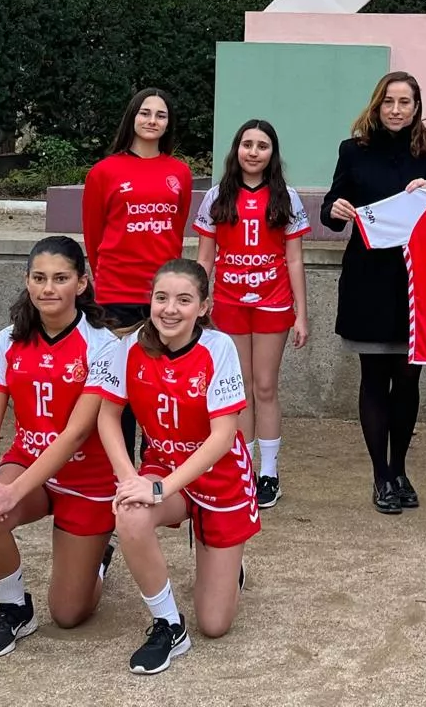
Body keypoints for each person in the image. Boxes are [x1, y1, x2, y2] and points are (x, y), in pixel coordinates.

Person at [89, 259, 259, 674]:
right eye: (161, 298)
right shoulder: (128, 348)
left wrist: (160, 488)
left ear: (203, 306)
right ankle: (168, 625)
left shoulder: (219, 348)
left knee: (215, 624)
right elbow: (107, 417)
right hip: (164, 471)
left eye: (184, 300)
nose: (170, 309)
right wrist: (132, 480)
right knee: (129, 512)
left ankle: (227, 565)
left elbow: (222, 437)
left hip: (220, 481)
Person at [0, 236, 122, 658]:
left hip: (87, 479)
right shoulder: (9, 339)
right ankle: (14, 609)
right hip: (28, 463)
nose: (48, 288)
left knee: (70, 613)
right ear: (27, 281)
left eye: (60, 278)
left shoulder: (104, 345)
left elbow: (74, 434)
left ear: (82, 283)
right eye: (39, 278)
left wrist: (11, 492)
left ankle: (99, 557)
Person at [322, 71, 426, 514]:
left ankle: (399, 468)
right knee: (374, 377)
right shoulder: (353, 150)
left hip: (417, 279)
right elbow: (331, 210)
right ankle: (380, 476)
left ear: (417, 107)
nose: (397, 109)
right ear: (377, 105)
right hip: (369, 277)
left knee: (409, 377)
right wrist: (337, 209)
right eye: (389, 102)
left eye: (405, 102)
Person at [195, 119, 310, 509]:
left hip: (272, 302)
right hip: (228, 303)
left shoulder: (287, 197)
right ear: (236, 149)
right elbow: (205, 257)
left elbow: (294, 258)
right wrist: (197, 301)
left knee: (265, 386)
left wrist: (302, 313)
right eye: (247, 144)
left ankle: (269, 472)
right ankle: (241, 467)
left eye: (262, 145)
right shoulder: (215, 196)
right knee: (238, 390)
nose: (254, 151)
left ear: (272, 153)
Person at [83, 87, 194, 460]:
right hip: (116, 293)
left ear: (168, 124)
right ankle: (119, 468)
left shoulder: (179, 172)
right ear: (133, 116)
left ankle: (155, 466)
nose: (152, 121)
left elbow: (176, 231)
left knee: (157, 385)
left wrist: (169, 291)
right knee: (120, 387)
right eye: (146, 113)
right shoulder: (104, 172)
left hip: (162, 299)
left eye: (160, 115)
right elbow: (94, 235)